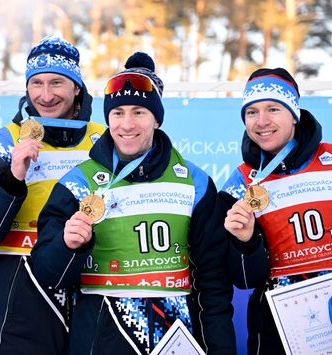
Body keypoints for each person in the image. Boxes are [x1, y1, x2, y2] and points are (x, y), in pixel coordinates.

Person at [31, 52, 236, 355]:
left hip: (176, 339)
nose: (127, 124)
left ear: (156, 118)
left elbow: (214, 284)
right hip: (102, 339)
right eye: (118, 113)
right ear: (108, 118)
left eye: (139, 112)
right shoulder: (78, 182)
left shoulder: (195, 181)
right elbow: (48, 275)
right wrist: (68, 246)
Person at [0, 36, 105, 354]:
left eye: (57, 82)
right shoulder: (2, 142)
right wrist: (13, 177)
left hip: (90, 289)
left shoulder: (103, 142)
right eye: (36, 83)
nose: (46, 95)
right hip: (17, 300)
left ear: (77, 87)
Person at [221, 67, 332, 354]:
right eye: (251, 112)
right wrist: (245, 243)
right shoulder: (240, 183)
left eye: (273, 109)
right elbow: (244, 279)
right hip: (280, 326)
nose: (262, 121)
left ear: (293, 114)